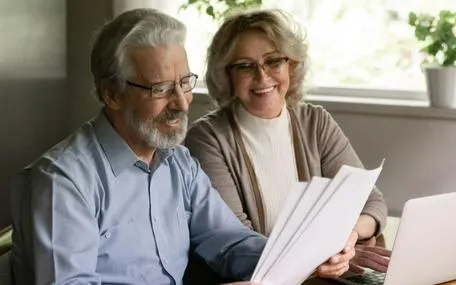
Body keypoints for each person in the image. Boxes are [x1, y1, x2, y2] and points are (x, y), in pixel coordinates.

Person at [9, 8, 269, 285]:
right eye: (160, 89)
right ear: (112, 94)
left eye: (184, 83)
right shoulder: (62, 181)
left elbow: (229, 242)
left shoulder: (178, 162)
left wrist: (299, 258)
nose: (181, 103)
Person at [184, 8, 391, 277]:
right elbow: (234, 240)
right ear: (227, 75)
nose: (262, 76)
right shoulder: (207, 138)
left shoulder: (315, 122)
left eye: (273, 61)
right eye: (245, 65)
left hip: (323, 273)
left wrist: (347, 239)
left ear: (291, 65)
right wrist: (318, 255)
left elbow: (372, 203)